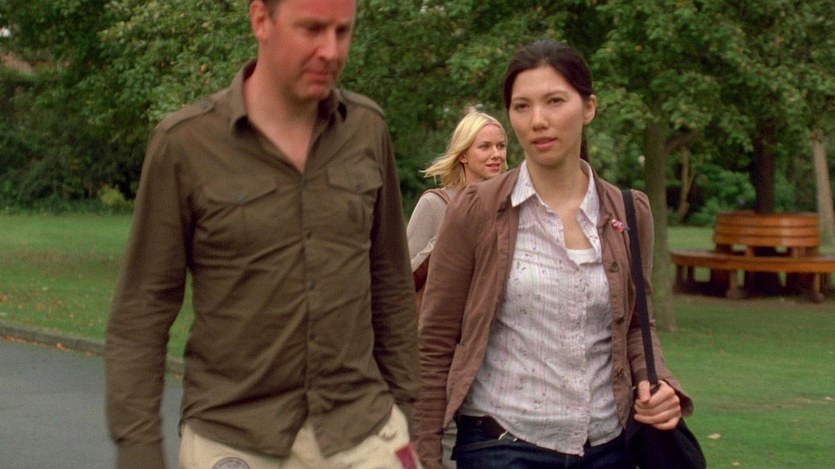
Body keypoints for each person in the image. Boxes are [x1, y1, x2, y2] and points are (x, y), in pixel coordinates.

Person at [105, 1, 421, 468]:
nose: (331, 51)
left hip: (362, 427)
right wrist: (139, 451)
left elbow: (391, 282)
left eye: (342, 31)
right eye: (312, 29)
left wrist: (406, 409)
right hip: (236, 435)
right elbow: (141, 310)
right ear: (260, 20)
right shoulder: (186, 144)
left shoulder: (367, 130)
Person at [414, 39, 694, 469]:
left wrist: (660, 387)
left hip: (608, 449)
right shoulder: (474, 211)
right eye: (522, 106)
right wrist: (424, 454)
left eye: (555, 101)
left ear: (589, 107)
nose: (538, 121)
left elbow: (638, 325)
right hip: (501, 447)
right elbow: (434, 342)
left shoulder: (629, 211)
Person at [408, 111, 508, 313]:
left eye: (501, 146)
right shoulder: (435, 204)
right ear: (463, 155)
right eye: (485, 147)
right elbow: (402, 279)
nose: (496, 154)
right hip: (442, 325)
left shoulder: (509, 206)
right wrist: (449, 235)